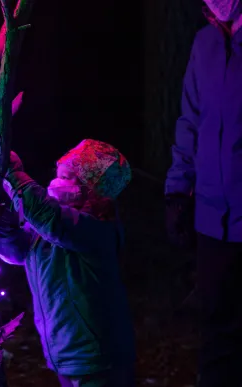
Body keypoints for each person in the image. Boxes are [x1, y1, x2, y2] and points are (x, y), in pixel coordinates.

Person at [0, 139, 136, 386]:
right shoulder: (55, 226)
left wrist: (13, 174)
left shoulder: (96, 229)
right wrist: (1, 216)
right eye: (60, 174)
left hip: (98, 358)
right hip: (67, 356)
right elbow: (16, 250)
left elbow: (49, 218)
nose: (58, 183)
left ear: (93, 189)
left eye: (69, 177)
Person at [164, 1, 242, 385]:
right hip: (214, 220)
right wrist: (178, 190)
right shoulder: (204, 43)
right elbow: (190, 120)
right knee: (216, 333)